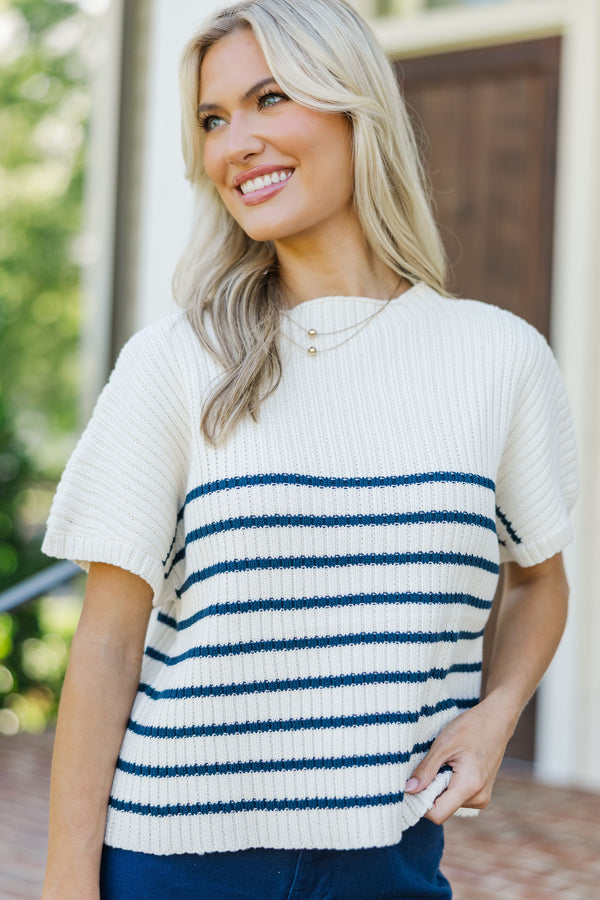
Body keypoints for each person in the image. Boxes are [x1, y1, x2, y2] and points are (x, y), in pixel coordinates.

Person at [41, 1, 577, 897]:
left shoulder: (499, 357)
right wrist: (65, 882)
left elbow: (540, 580)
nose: (234, 143)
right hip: (174, 864)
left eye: (269, 99)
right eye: (213, 120)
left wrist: (496, 713)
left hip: (391, 859)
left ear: (353, 105)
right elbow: (104, 647)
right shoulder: (176, 362)